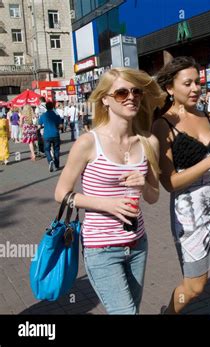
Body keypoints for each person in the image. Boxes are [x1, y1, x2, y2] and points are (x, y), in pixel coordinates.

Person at [54, 67, 161, 314]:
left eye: (136, 92)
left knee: (132, 309)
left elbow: (153, 196)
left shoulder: (148, 142)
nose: (131, 97)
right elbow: (61, 193)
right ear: (105, 99)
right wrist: (106, 204)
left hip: (137, 243)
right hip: (101, 249)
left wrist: (143, 184)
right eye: (122, 93)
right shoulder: (89, 143)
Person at [152, 56, 210, 314]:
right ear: (170, 88)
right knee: (195, 288)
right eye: (187, 83)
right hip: (189, 216)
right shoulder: (163, 126)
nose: (195, 88)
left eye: (198, 82)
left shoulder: (208, 116)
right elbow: (169, 183)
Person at [38, 102, 63, 172]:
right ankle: (57, 165)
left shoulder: (43, 115)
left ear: (46, 107)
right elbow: (61, 126)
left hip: (47, 135)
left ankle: (50, 160)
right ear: (52, 107)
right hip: (55, 134)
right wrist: (57, 127)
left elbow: (39, 126)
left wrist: (42, 126)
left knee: (46, 149)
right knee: (56, 150)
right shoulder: (57, 115)